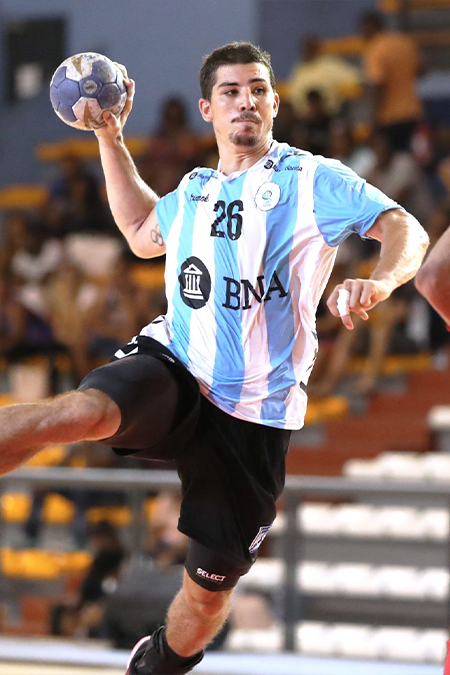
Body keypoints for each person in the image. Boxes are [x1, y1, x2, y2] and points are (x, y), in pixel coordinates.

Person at [0, 42, 429, 675]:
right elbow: (142, 232)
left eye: (257, 90)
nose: (245, 101)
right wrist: (110, 139)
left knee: (204, 601)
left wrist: (382, 280)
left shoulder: (311, 179)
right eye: (230, 91)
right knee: (78, 413)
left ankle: (158, 663)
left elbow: (404, 227)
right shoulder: (195, 190)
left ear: (274, 103)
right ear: (209, 109)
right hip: (177, 364)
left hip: (256, 413)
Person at [360, 10, 423, 151]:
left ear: (370, 26)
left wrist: (373, 118)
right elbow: (422, 69)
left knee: (393, 158)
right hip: (413, 111)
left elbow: (377, 85)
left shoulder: (376, 49)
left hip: (389, 117)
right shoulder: (405, 42)